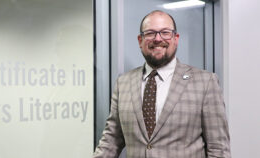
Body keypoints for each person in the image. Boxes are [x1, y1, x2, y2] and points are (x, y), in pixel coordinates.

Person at [93, 10, 231, 158]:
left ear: (176, 38)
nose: (158, 39)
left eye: (165, 32)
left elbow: (218, 149)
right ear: (140, 40)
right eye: (150, 33)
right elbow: (111, 140)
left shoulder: (205, 82)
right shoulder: (124, 83)